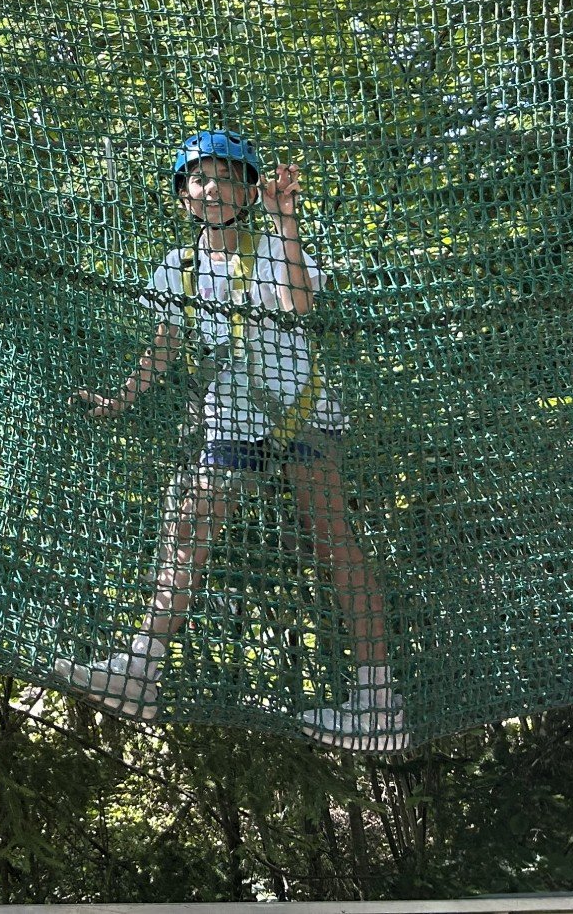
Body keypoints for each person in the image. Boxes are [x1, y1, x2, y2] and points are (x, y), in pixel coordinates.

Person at [53, 129, 407, 751]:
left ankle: (379, 702)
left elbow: (299, 304)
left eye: (225, 178)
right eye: (199, 179)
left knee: (333, 542)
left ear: (247, 192)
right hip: (232, 419)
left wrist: (285, 219)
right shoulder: (178, 267)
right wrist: (121, 399)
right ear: (183, 195)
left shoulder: (274, 248)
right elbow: (166, 344)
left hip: (299, 411)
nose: (211, 189)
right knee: (188, 528)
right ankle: (141, 669)